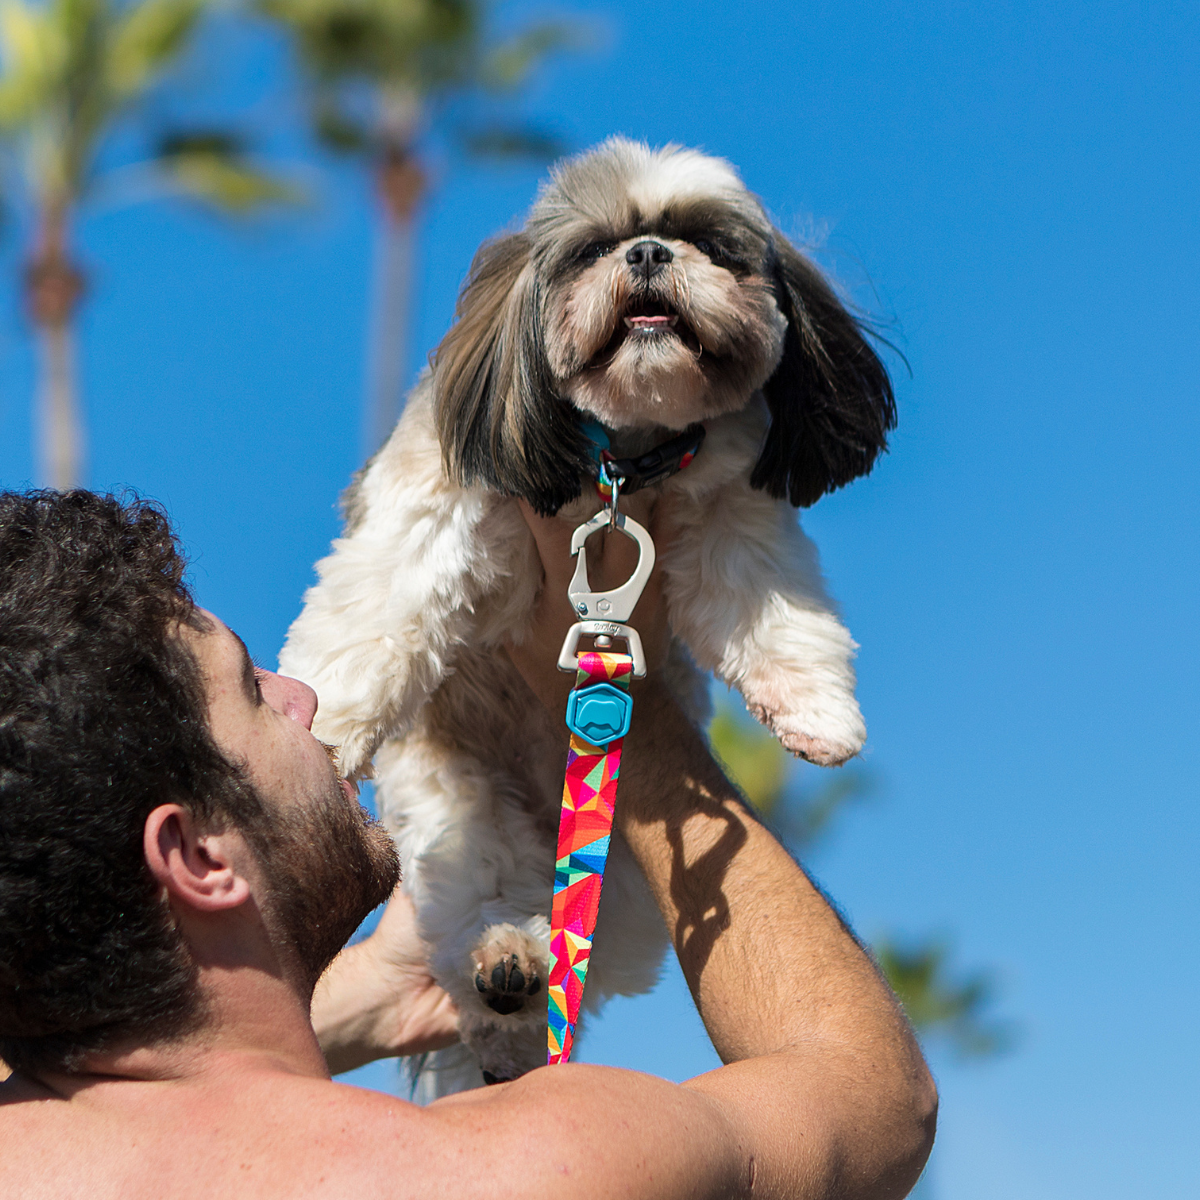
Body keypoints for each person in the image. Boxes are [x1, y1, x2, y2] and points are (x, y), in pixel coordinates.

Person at [0, 488, 936, 1200]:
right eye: (253, 689)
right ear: (199, 859)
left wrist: (375, 998)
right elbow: (872, 1095)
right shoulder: (500, 1170)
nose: (304, 696)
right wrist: (623, 710)